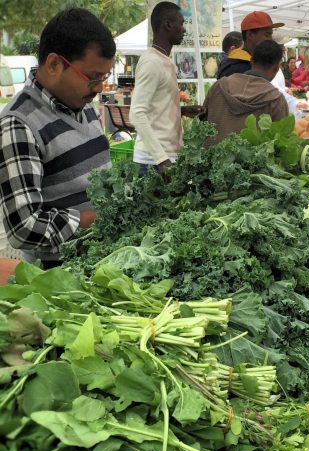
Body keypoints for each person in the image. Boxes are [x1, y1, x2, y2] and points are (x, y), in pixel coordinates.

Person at [0, 8, 115, 268]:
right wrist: (97, 219)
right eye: (93, 77)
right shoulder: (19, 123)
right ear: (54, 64)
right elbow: (24, 227)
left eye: (104, 77)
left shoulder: (82, 103)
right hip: (61, 273)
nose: (99, 88)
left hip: (102, 257)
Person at [130, 2, 202, 176]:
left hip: (163, 158)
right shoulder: (152, 62)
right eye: (181, 23)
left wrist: (181, 110)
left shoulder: (164, 60)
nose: (184, 29)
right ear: (168, 25)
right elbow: (136, 114)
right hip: (154, 161)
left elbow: (156, 108)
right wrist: (162, 160)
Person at [203, 40, 289, 144]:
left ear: (251, 61)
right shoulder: (276, 100)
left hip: (211, 158)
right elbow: (281, 142)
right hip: (257, 160)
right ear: (276, 68)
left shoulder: (219, 86)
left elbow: (202, 122)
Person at [217, 11, 284, 79]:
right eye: (267, 35)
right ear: (250, 35)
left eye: (271, 35)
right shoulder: (240, 69)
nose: (271, 40)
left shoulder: (231, 62)